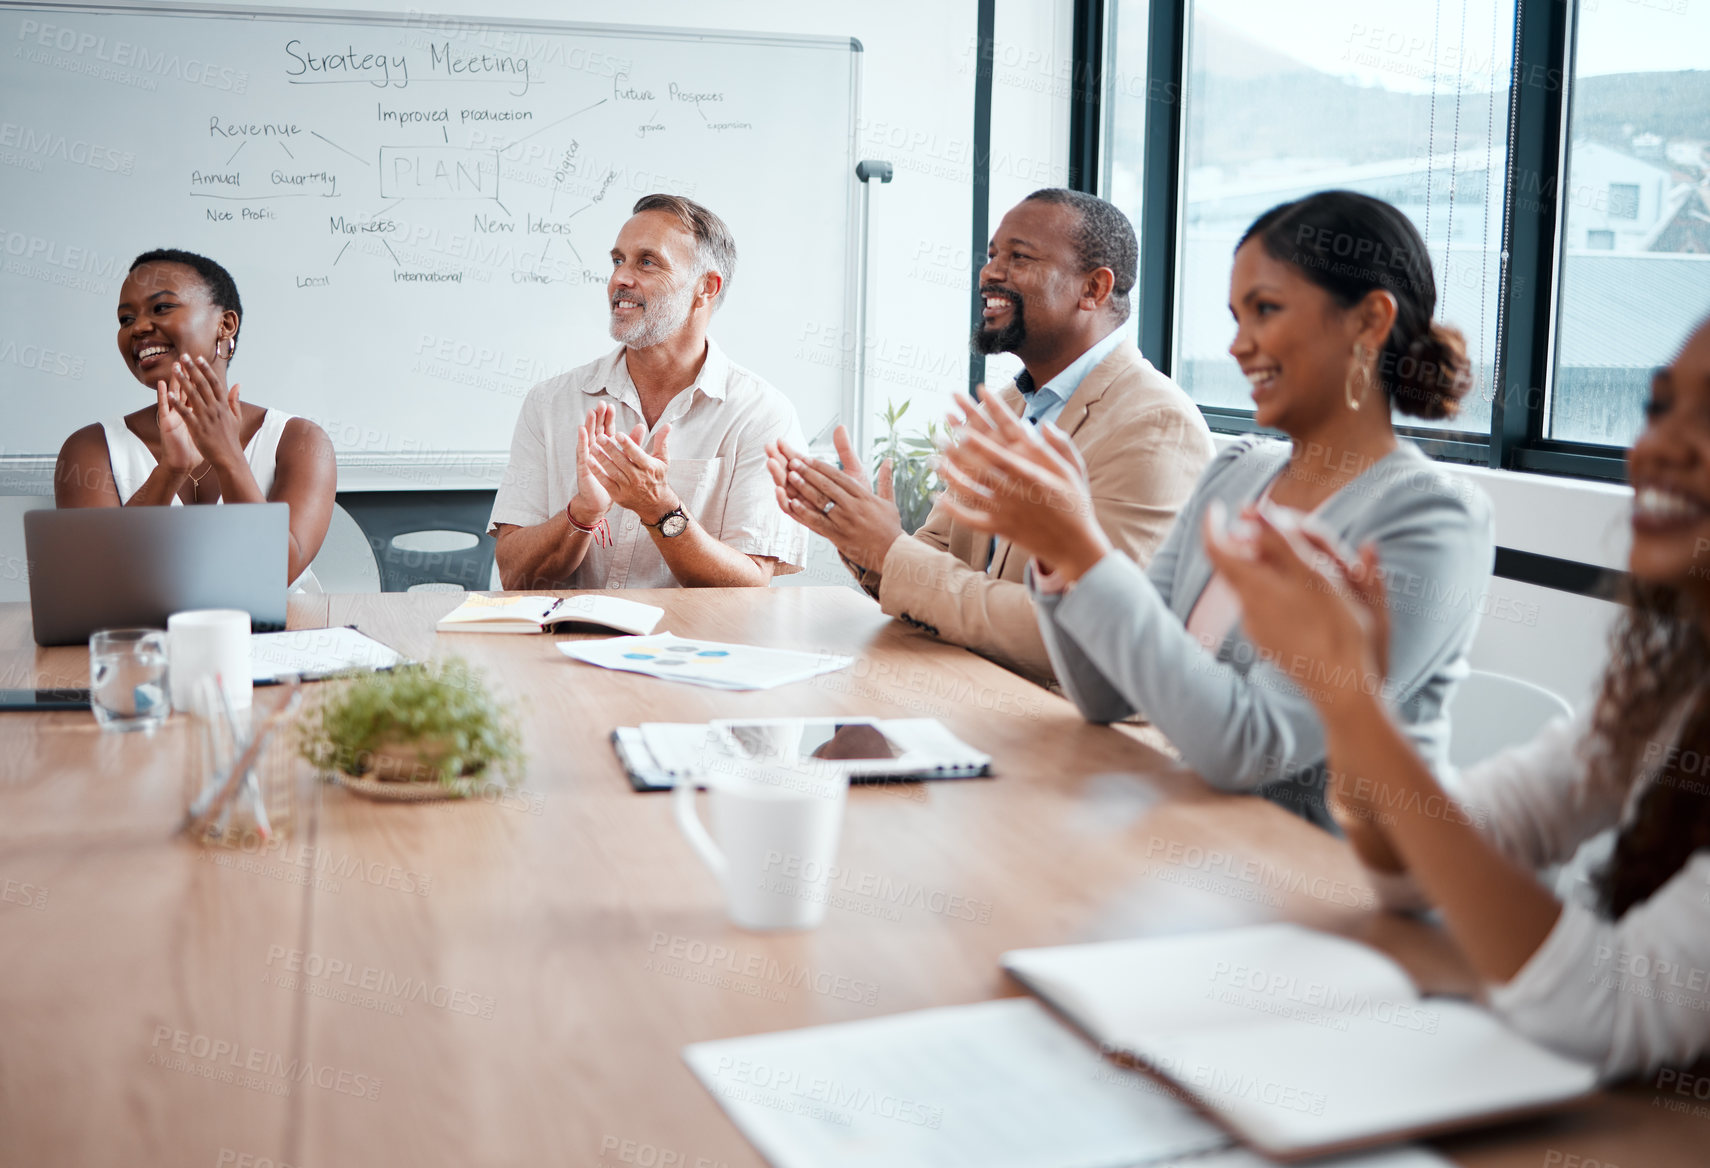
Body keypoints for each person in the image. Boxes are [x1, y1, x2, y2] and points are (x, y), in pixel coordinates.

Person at [1200, 317, 1710, 1077]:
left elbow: (1612, 1009)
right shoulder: (1670, 688)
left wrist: (1350, 703)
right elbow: (1408, 870)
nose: (1658, 448)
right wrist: (1358, 700)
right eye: (1659, 408)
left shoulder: (1431, 506)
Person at [938, 191, 1493, 828]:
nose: (1237, 346)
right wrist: (1061, 555)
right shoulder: (1239, 472)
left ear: (1368, 322)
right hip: (1202, 844)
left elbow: (1249, 750)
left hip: (1328, 882)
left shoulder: (1433, 519)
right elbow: (1103, 694)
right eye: (1236, 317)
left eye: (1265, 311)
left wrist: (1085, 549)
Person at [768, 189, 1213, 685]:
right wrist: (859, 534)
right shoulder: (1005, 408)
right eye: (991, 255)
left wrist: (888, 551)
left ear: (1094, 289)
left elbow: (1078, 635)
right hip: (968, 701)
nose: (990, 273)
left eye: (1019, 257)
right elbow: (937, 562)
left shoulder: (1156, 424)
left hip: (1068, 735)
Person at [490, 194, 807, 589]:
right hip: (565, 645)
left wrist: (659, 507)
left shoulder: (763, 414)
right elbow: (514, 572)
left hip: (690, 649)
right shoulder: (550, 403)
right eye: (618, 260)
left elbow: (749, 584)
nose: (620, 278)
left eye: (647, 262)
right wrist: (582, 512)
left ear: (705, 287)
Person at [54, 249, 336, 589]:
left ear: (225, 324)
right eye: (125, 319)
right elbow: (100, 581)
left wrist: (229, 457)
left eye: (161, 308)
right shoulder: (90, 449)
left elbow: (274, 576)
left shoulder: (300, 441)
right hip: (147, 642)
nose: (139, 328)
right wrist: (169, 471)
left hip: (284, 639)